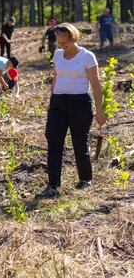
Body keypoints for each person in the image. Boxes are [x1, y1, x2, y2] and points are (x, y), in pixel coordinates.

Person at [36, 23, 106, 199]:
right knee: (53, 142)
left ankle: (85, 180)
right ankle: (52, 186)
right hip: (58, 104)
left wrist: (100, 111)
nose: (62, 46)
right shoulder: (58, 55)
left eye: (65, 42)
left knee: (79, 143)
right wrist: (51, 101)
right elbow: (56, 78)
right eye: (59, 42)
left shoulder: (87, 57)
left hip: (80, 103)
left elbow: (96, 85)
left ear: (73, 38)